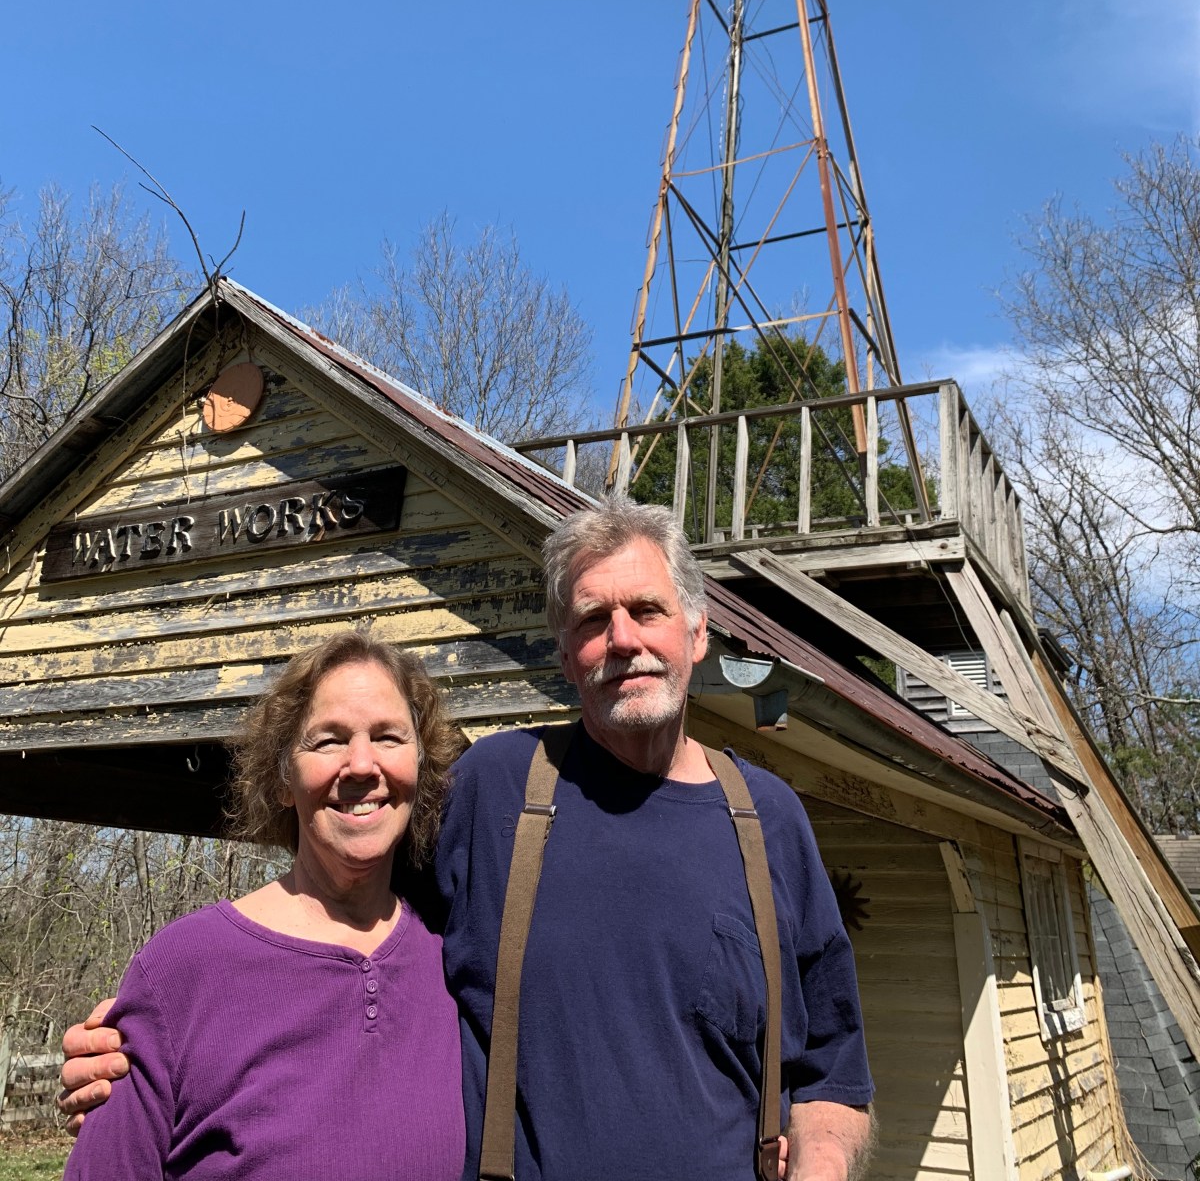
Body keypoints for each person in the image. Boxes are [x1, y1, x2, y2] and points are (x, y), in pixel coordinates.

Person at [61, 497, 874, 1181]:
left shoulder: (767, 820)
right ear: (565, 654)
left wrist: (823, 1162)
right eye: (594, 619)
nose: (622, 639)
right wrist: (150, 1041)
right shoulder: (501, 790)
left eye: (648, 610)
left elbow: (833, 1071)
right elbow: (343, 928)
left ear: (696, 633)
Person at [62, 632, 465, 1181]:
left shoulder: (453, 964)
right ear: (282, 781)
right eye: (329, 740)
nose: (362, 764)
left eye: (389, 737)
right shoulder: (180, 971)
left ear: (421, 768)